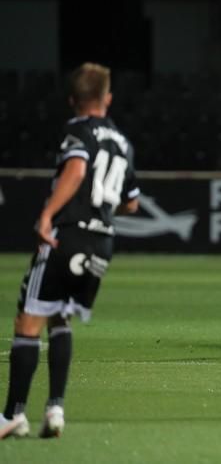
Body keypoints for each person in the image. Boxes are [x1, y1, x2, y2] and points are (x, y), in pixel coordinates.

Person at [0, 63, 139, 438]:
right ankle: (55, 410)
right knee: (60, 317)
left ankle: (12, 414)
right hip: (101, 242)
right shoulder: (123, 141)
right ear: (107, 99)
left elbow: (76, 171)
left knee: (27, 321)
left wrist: (46, 214)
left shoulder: (77, 130)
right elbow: (132, 203)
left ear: (72, 100)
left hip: (68, 235)